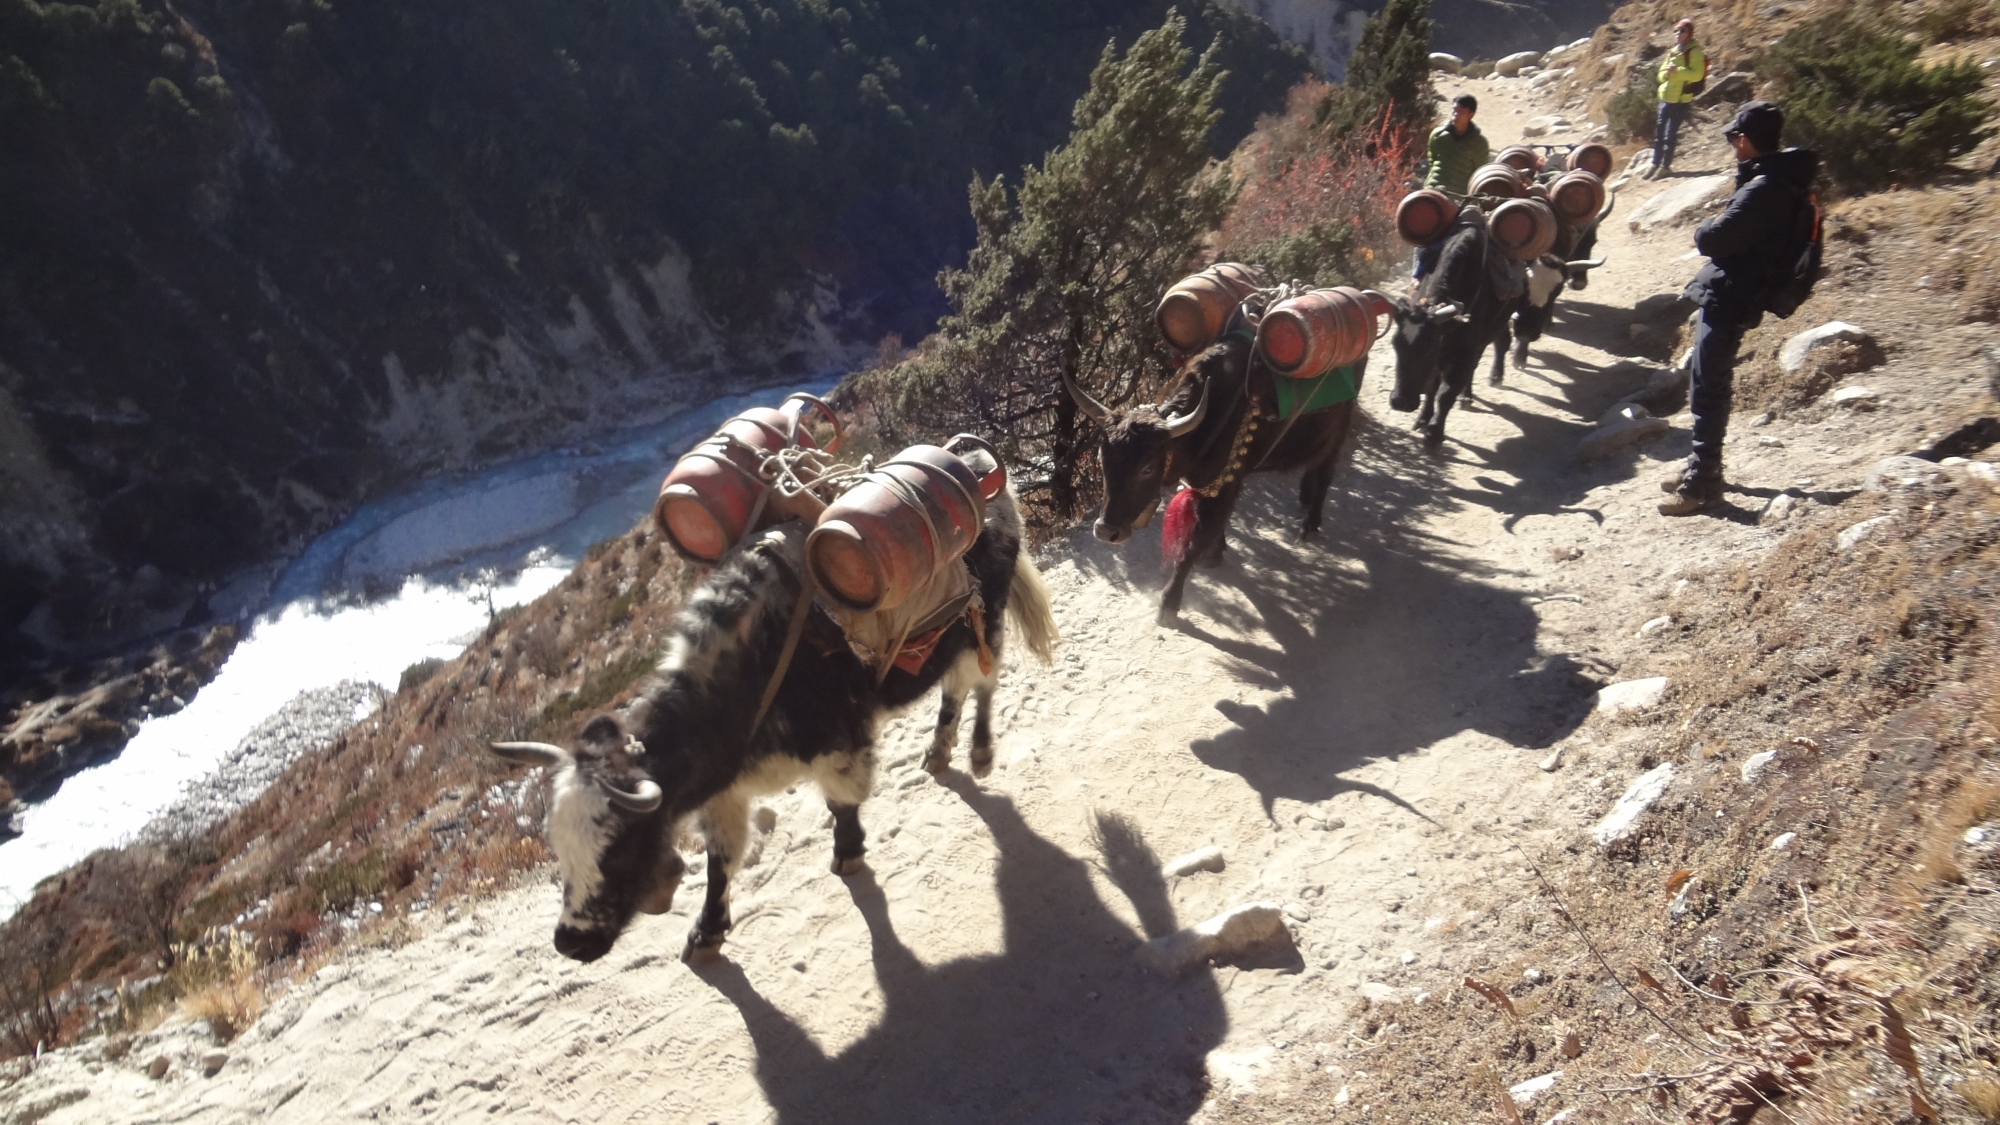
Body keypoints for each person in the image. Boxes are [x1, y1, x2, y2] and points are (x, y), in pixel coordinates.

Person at [1660, 101, 1818, 516]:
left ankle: (1702, 484)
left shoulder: (1764, 187)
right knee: (1706, 379)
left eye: (1733, 137)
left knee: (1709, 386)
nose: (1732, 146)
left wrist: (1705, 227)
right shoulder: (1779, 180)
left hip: (1733, 294)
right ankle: (1701, 466)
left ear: (1744, 140)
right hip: (1739, 289)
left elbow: (1715, 239)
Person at [1415, 95, 1489, 280]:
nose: (1456, 114)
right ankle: (1416, 277)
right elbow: (1433, 159)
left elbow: (1479, 172)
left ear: (1471, 114)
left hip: (1460, 197)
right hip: (1434, 191)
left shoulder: (1479, 143)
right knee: (1422, 232)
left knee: (1453, 238)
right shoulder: (1438, 135)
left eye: (1461, 112)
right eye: (1454, 110)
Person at [1647, 18, 1705, 179]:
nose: (1678, 33)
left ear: (1690, 33)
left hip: (1680, 100)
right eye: (1676, 30)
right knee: (1659, 134)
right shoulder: (1673, 50)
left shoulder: (1695, 51)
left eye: (1682, 30)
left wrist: (1677, 71)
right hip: (1665, 98)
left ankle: (1665, 167)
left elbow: (1697, 74)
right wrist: (1666, 74)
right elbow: (1660, 75)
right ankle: (1655, 164)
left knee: (1670, 135)